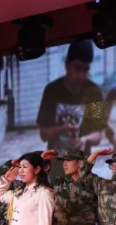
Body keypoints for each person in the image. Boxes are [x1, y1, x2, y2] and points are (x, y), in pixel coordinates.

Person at [37, 39, 106, 176]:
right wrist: (63, 128)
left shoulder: (94, 92)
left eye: (85, 69)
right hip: (55, 166)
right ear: (67, 65)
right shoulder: (52, 91)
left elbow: (98, 135)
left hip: (81, 168)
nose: (81, 75)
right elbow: (44, 134)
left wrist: (85, 140)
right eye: (78, 68)